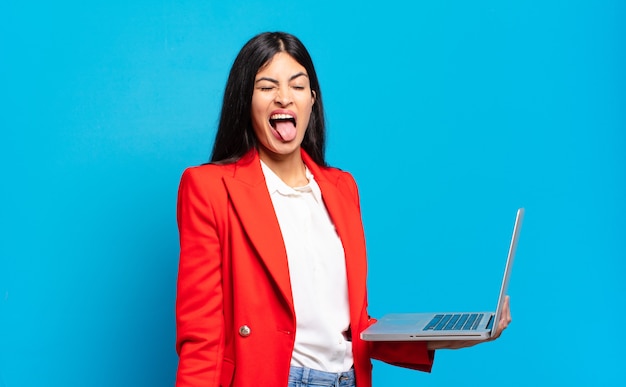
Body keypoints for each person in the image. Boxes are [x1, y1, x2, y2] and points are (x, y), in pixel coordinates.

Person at [175, 31, 512, 387]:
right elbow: (203, 338)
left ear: (312, 100)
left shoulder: (341, 189)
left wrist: (468, 333)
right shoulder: (211, 188)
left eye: (297, 86)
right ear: (246, 101)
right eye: (266, 86)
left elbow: (355, 327)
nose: (284, 98)